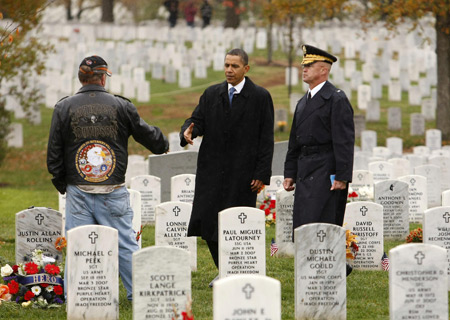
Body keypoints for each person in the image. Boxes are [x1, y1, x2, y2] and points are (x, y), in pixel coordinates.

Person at [47, 55, 169, 300]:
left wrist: (64, 184)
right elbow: (148, 136)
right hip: (112, 189)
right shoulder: (121, 105)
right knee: (125, 244)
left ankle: (76, 296)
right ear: (103, 78)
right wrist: (162, 143)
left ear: (81, 78)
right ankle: (140, 295)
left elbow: (54, 153)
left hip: (78, 189)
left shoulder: (63, 107)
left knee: (79, 246)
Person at [180, 48, 274, 286]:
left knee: (237, 225)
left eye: (234, 66)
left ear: (246, 69)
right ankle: (225, 270)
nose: (229, 70)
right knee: (207, 223)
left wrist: (261, 173)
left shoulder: (260, 97)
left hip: (242, 174)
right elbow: (197, 120)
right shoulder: (212, 93)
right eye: (226, 65)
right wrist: (189, 128)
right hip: (212, 171)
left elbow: (266, 138)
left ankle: (235, 270)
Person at [283, 44, 354, 235]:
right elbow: (294, 142)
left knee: (322, 222)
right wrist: (289, 172)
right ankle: (309, 262)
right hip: (305, 168)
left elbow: (344, 141)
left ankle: (329, 263)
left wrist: (342, 176)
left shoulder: (335, 99)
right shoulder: (302, 101)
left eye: (309, 65)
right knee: (304, 223)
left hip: (325, 169)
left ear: (324, 70)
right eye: (303, 65)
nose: (304, 69)